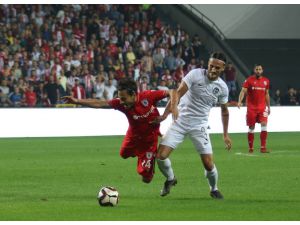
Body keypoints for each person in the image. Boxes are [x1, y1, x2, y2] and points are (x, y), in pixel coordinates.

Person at [62, 78, 175, 183]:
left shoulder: (148, 96)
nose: (121, 101)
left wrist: (165, 115)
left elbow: (172, 92)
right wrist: (76, 101)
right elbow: (100, 103)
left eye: (124, 98)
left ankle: (148, 156)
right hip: (133, 137)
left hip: (149, 141)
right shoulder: (120, 103)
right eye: (120, 98)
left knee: (146, 179)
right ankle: (142, 155)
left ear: (133, 94)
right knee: (123, 154)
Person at [155, 52, 232, 199]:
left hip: (200, 126)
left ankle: (214, 188)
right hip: (180, 122)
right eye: (211, 66)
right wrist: (167, 113)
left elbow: (225, 112)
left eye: (217, 67)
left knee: (208, 164)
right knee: (160, 156)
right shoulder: (195, 74)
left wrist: (225, 135)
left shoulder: (222, 88)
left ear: (223, 68)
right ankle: (171, 179)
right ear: (207, 65)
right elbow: (177, 94)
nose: (213, 69)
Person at [237, 64, 270, 153]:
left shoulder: (266, 81)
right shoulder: (249, 80)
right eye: (257, 69)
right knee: (252, 127)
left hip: (262, 108)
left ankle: (263, 147)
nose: (258, 71)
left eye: (260, 69)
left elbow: (267, 94)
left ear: (262, 70)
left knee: (264, 124)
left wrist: (269, 107)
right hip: (251, 108)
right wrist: (239, 101)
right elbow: (243, 91)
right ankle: (251, 148)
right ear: (254, 70)